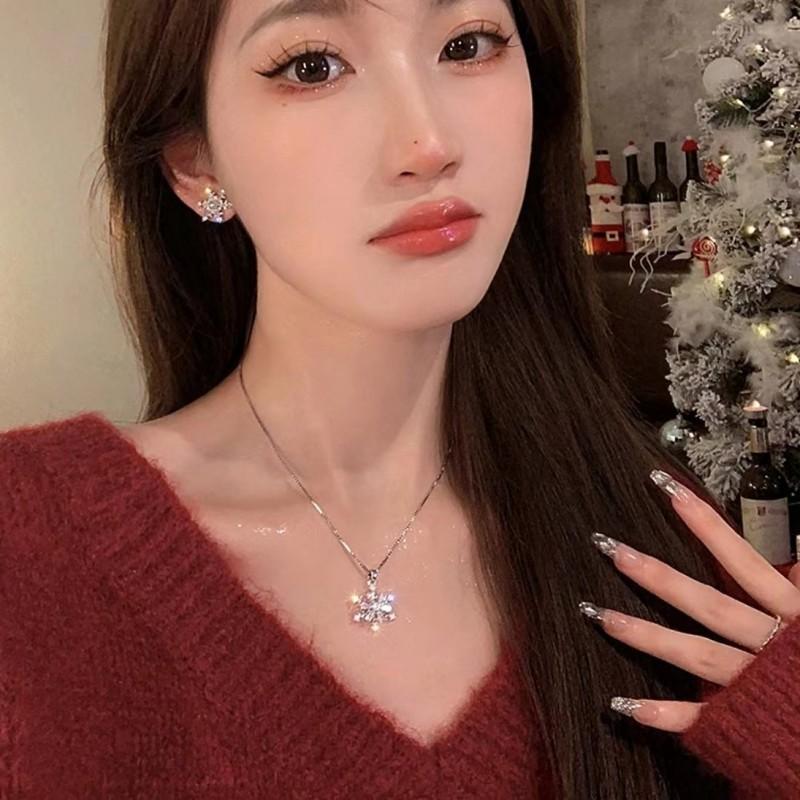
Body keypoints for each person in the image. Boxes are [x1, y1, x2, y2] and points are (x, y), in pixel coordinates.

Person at [2, 0, 799, 797]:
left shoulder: (652, 539)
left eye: (469, 44)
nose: (428, 144)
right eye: (312, 66)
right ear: (194, 162)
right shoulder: (31, 548)